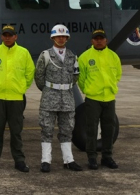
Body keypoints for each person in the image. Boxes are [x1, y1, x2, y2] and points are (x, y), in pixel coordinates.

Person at [0, 25, 34, 172]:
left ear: (15, 37)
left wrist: (21, 88)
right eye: (5, 35)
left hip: (16, 98)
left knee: (16, 132)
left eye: (10, 35)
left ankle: (19, 160)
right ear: (2, 36)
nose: (7, 37)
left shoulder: (23, 53)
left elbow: (30, 73)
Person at [34, 24, 82, 172]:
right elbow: (39, 77)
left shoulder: (72, 56)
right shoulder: (46, 55)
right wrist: (49, 89)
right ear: (53, 38)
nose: (60, 39)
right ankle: (46, 161)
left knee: (67, 129)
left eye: (63, 36)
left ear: (67, 38)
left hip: (67, 98)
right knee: (47, 129)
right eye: (57, 36)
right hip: (49, 97)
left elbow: (75, 76)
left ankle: (69, 160)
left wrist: (64, 87)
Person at [78, 29, 122, 170]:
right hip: (93, 98)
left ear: (106, 40)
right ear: (92, 41)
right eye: (96, 38)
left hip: (109, 98)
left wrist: (110, 87)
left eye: (101, 38)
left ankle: (107, 157)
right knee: (92, 129)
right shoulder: (85, 57)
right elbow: (81, 78)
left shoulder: (113, 56)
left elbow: (117, 75)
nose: (99, 40)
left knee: (109, 128)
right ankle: (92, 158)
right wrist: (88, 90)